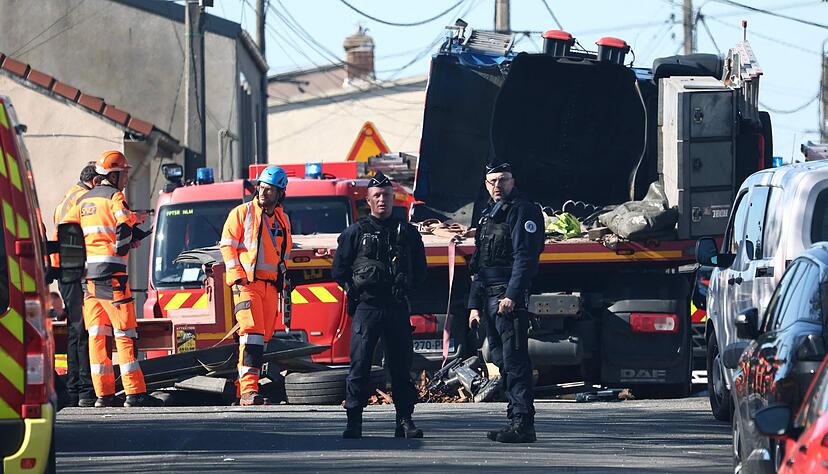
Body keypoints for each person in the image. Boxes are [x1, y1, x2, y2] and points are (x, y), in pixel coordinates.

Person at [331, 172, 427, 439]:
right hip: (367, 307)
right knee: (359, 365)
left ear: (393, 198)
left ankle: (405, 421)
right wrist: (354, 291)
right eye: (376, 196)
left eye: (386, 195)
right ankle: (354, 422)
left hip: (396, 306)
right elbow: (339, 270)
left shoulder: (406, 232)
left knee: (400, 366)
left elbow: (420, 270)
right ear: (368, 200)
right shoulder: (354, 233)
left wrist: (405, 286)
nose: (382, 200)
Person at [62, 151, 160, 407]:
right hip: (113, 278)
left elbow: (67, 232)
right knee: (125, 333)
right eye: (124, 174)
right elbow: (122, 227)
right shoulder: (116, 197)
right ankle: (134, 393)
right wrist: (123, 246)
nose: (126, 179)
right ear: (113, 175)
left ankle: (103, 396)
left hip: (87, 281)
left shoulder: (81, 201)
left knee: (97, 335)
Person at [467, 161, 544, 443]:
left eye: (503, 179)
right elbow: (479, 264)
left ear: (513, 181)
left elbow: (525, 258)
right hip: (488, 297)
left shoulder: (524, 211)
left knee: (514, 359)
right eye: (492, 181)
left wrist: (512, 294)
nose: (497, 186)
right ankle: (515, 416)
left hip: (506, 297)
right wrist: (474, 305)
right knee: (499, 358)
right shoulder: (488, 216)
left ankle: (522, 422)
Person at [220, 165, 292, 406]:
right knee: (251, 335)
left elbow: (282, 253)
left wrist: (283, 279)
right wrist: (237, 275)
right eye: (261, 187)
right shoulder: (241, 213)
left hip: (270, 286)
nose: (264, 193)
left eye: (270, 190)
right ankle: (249, 391)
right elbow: (227, 246)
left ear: (280, 193)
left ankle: (244, 389)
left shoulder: (282, 219)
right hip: (247, 283)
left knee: (263, 337)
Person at [52, 162, 97, 407]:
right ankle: (81, 388)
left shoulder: (68, 197)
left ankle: (75, 387)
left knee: (75, 329)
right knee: (81, 330)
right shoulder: (83, 199)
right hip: (74, 270)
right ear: (95, 182)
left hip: (65, 270)